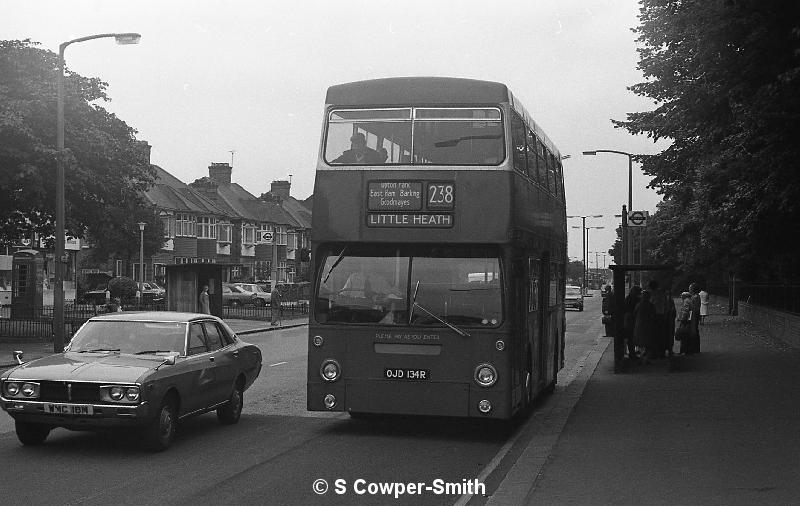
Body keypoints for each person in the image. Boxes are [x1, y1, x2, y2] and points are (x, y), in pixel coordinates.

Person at [633, 290, 659, 364]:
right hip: (648, 326)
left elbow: (634, 314)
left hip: (639, 326)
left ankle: (641, 358)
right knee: (648, 343)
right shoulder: (651, 305)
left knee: (640, 343)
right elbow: (654, 315)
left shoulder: (638, 305)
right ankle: (646, 358)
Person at [623, 285, 642, 360]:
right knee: (632, 337)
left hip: (628, 319)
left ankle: (631, 352)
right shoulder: (637, 299)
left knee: (630, 337)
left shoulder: (628, 298)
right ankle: (632, 353)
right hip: (632, 319)